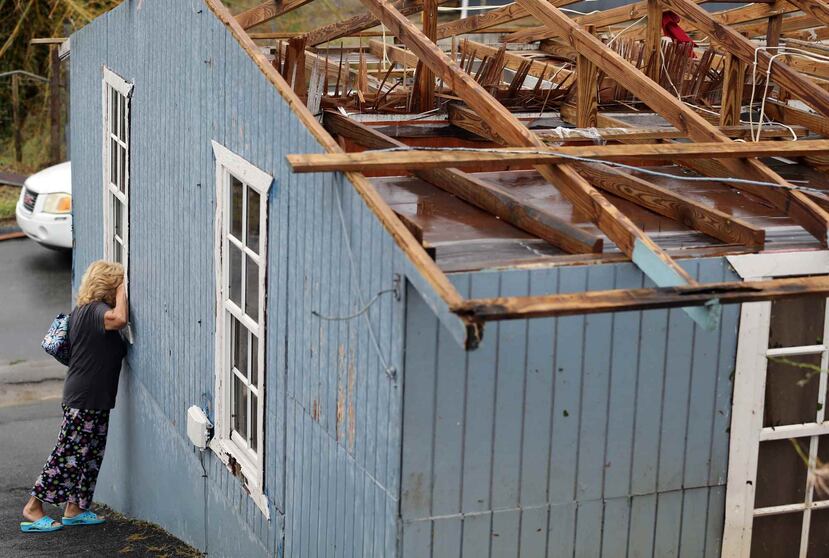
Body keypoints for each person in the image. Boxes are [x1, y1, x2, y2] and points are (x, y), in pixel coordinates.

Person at [20, 260, 128, 533]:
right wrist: (122, 291)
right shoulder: (95, 311)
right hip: (83, 399)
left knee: (89, 455)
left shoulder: (86, 311)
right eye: (116, 281)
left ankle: (75, 508)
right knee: (66, 455)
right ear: (108, 285)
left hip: (94, 399)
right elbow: (120, 319)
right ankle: (33, 508)